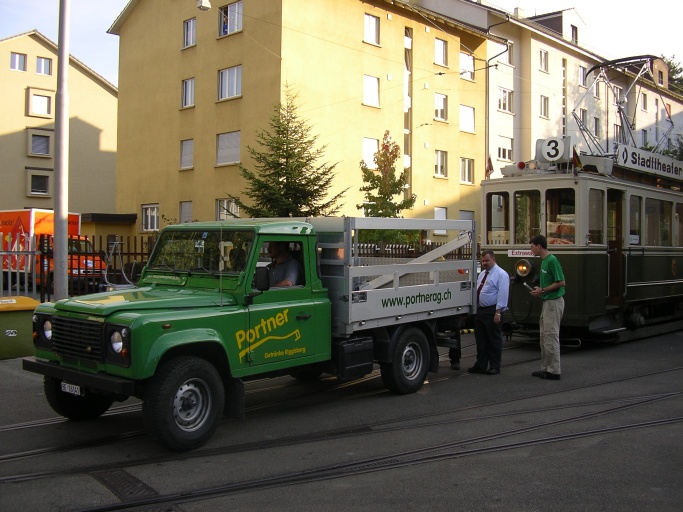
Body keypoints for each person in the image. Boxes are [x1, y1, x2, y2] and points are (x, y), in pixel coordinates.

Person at [529, 234, 566, 380]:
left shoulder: (552, 261)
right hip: (547, 302)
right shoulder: (544, 261)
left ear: (539, 246)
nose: (531, 250)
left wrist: (542, 290)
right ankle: (546, 367)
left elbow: (561, 282)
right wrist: (541, 290)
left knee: (551, 336)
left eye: (532, 246)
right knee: (544, 335)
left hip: (553, 302)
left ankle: (554, 370)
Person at [468, 249, 509, 375]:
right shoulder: (483, 274)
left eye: (487, 260)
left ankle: (495, 366)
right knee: (481, 340)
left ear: (494, 260)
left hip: (492, 311)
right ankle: (481, 365)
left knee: (493, 340)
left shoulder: (501, 274)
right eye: (483, 261)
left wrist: (498, 312)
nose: (485, 263)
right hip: (481, 310)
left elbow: (502, 294)